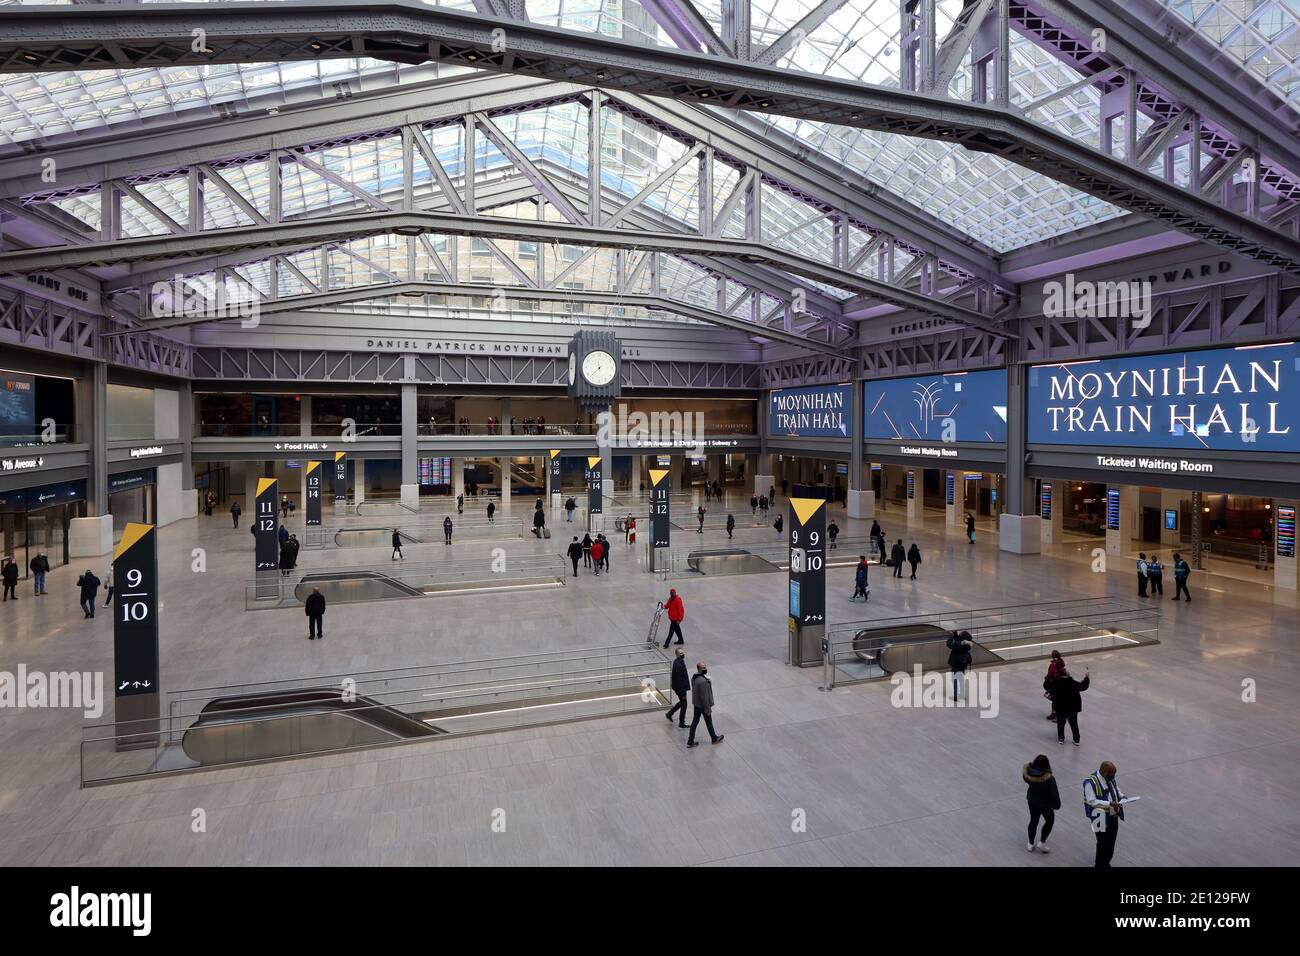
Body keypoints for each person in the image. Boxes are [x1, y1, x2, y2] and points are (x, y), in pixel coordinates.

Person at [1084, 761, 1127, 868]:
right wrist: (1109, 804)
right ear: (1104, 772)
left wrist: (1122, 796)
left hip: (1113, 816)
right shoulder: (1090, 782)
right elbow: (1091, 801)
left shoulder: (1110, 778)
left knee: (1111, 842)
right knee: (1102, 843)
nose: (1113, 777)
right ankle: (1099, 865)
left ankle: (1106, 863)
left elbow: (1115, 789)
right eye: (1111, 774)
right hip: (1099, 816)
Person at [1044, 663, 1090, 745]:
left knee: (1061, 724)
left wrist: (1050, 677)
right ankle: (1076, 740)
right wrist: (1086, 678)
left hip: (1060, 707)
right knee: (1074, 724)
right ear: (1067, 674)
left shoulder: (1056, 682)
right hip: (1072, 708)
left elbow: (1046, 686)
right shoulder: (1072, 683)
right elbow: (1083, 686)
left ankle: (1061, 738)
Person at [1023, 755, 1061, 853]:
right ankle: (1042, 842)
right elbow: (1054, 793)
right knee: (1050, 820)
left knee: (1033, 821)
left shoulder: (1028, 774)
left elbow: (1026, 780)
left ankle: (1030, 843)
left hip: (1032, 800)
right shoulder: (1049, 778)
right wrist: (1056, 805)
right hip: (1045, 804)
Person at [687, 661, 723, 747]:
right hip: (703, 706)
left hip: (696, 704)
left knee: (695, 722)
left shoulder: (694, 677)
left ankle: (690, 741)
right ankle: (714, 738)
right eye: (703, 668)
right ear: (699, 669)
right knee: (709, 722)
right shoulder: (702, 681)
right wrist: (708, 709)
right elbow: (704, 697)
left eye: (705, 667)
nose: (705, 669)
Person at [665, 646, 689, 728]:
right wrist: (683, 691)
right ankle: (681, 723)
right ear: (677, 654)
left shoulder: (679, 661)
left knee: (682, 703)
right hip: (680, 689)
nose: (682, 654)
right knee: (684, 704)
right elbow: (678, 679)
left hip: (680, 688)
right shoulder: (678, 665)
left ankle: (670, 713)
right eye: (681, 653)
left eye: (683, 652)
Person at [946, 629, 973, 701]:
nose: (960, 633)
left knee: (954, 679)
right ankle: (962, 695)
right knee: (961, 679)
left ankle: (955, 696)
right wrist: (955, 634)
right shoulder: (968, 644)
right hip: (963, 663)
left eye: (961, 633)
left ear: (962, 637)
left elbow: (949, 644)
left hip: (955, 663)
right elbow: (959, 640)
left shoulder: (958, 644)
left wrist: (951, 636)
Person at [1044, 650, 1064, 722]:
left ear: (1052, 656)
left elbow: (1050, 673)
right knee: (1056, 700)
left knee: (1055, 700)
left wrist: (1046, 678)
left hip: (1054, 684)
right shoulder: (1061, 662)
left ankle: (1057, 716)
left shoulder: (1053, 664)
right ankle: (1054, 714)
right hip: (1060, 683)